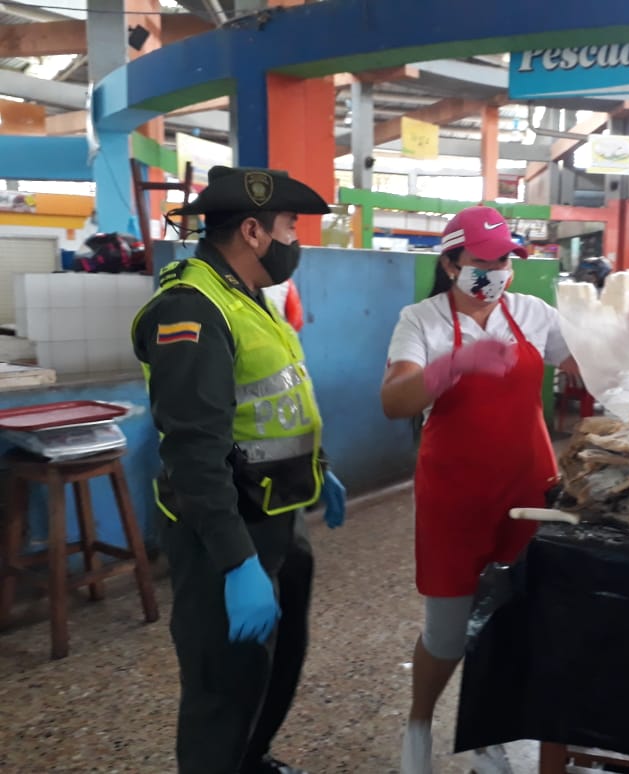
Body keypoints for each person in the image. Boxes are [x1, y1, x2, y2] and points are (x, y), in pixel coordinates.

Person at [132, 165, 347, 774]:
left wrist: (317, 467)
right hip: (226, 534)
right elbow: (194, 454)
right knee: (222, 690)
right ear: (253, 231)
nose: (295, 241)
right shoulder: (191, 310)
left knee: (274, 665)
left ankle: (251, 760)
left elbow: (275, 399)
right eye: (290, 226)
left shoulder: (247, 297)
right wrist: (236, 563)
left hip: (279, 512)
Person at [380, 205, 578, 774]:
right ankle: (419, 723)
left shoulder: (533, 313)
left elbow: (589, 367)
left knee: (511, 623)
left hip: (529, 489)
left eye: (505, 262)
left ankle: (490, 734)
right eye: (483, 263)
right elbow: (394, 401)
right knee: (447, 633)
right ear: (451, 264)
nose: (496, 273)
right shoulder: (421, 321)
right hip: (455, 495)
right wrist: (455, 364)